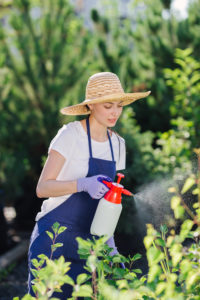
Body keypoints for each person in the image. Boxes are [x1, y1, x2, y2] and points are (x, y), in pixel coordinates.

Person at [28, 72, 150, 298]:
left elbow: (107, 205)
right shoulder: (70, 135)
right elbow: (42, 188)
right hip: (54, 241)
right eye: (107, 105)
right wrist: (82, 184)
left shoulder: (117, 144)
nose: (115, 112)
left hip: (89, 249)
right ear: (91, 106)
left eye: (119, 105)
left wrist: (111, 248)